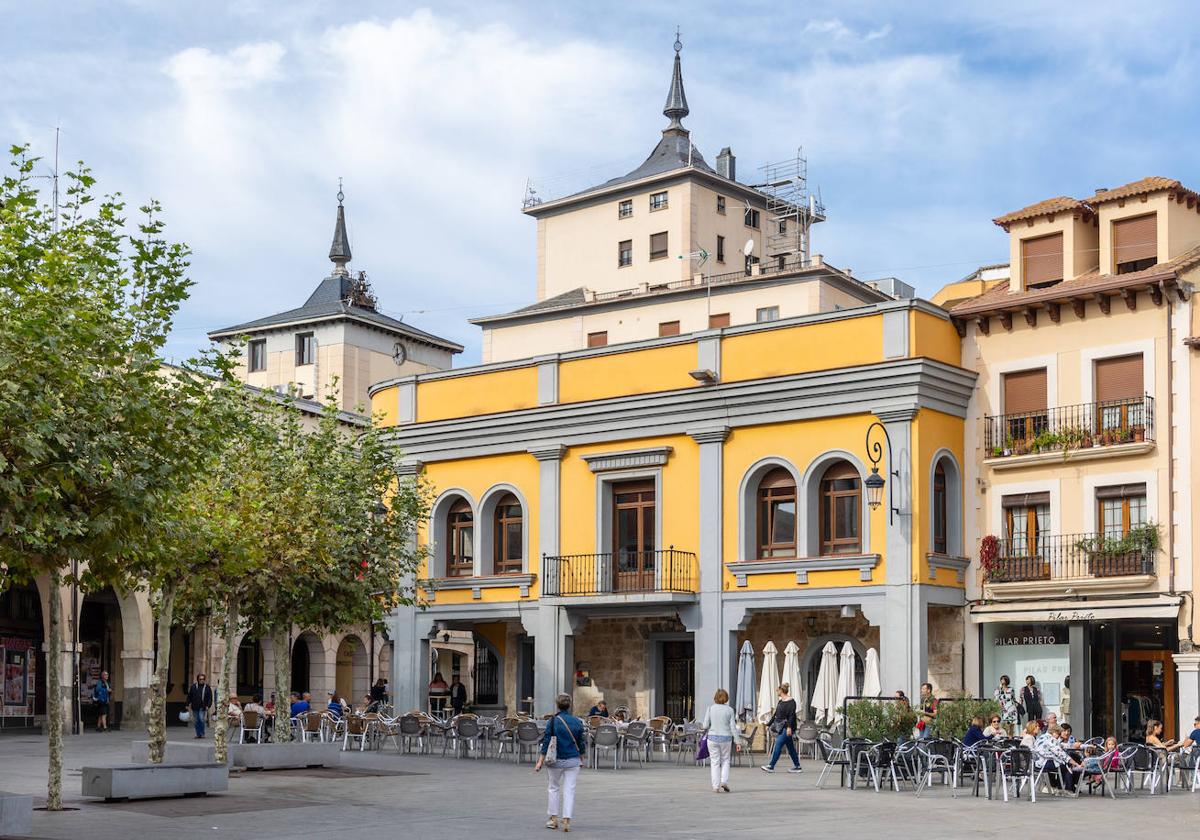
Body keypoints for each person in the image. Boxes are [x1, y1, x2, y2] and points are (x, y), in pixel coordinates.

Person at [534, 693, 586, 833]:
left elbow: (546, 742)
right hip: (573, 760)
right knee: (570, 790)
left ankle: (553, 818)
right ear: (569, 705)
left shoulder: (553, 721)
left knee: (553, 788)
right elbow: (581, 742)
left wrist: (540, 761)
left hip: (555, 760)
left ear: (557, 705)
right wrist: (581, 756)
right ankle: (567, 819)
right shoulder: (577, 721)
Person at [700, 688, 739, 793]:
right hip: (726, 738)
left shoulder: (710, 708)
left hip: (712, 738)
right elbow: (733, 727)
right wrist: (738, 741)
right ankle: (724, 781)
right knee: (726, 760)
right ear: (726, 698)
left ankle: (715, 787)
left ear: (715, 698)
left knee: (715, 762)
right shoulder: (730, 710)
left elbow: (705, 725)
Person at [760, 683, 802, 774]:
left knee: (778, 744)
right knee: (790, 748)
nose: (777, 692)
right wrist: (768, 724)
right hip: (780, 726)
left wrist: (789, 728)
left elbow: (791, 716)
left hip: (786, 727)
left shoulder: (791, 702)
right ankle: (797, 766)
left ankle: (771, 766)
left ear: (781, 691)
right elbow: (775, 715)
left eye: (778, 690)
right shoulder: (781, 701)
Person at [1034, 724, 1082, 794]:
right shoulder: (1052, 740)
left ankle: (1060, 787)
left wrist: (1071, 746)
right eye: (1059, 734)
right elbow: (1062, 754)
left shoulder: (1042, 737)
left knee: (1063, 764)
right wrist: (1076, 763)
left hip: (1037, 762)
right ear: (1054, 732)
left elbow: (1060, 746)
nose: (1059, 737)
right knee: (1066, 765)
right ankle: (1067, 789)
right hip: (1045, 763)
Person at [187, 673, 213, 739]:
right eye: (200, 679)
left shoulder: (207, 687)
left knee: (201, 719)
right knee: (196, 720)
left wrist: (208, 705)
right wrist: (188, 704)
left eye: (203, 679)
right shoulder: (193, 687)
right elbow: (189, 696)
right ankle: (198, 734)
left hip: (203, 706)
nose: (202, 680)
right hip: (195, 706)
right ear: (198, 679)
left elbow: (210, 697)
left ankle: (202, 733)